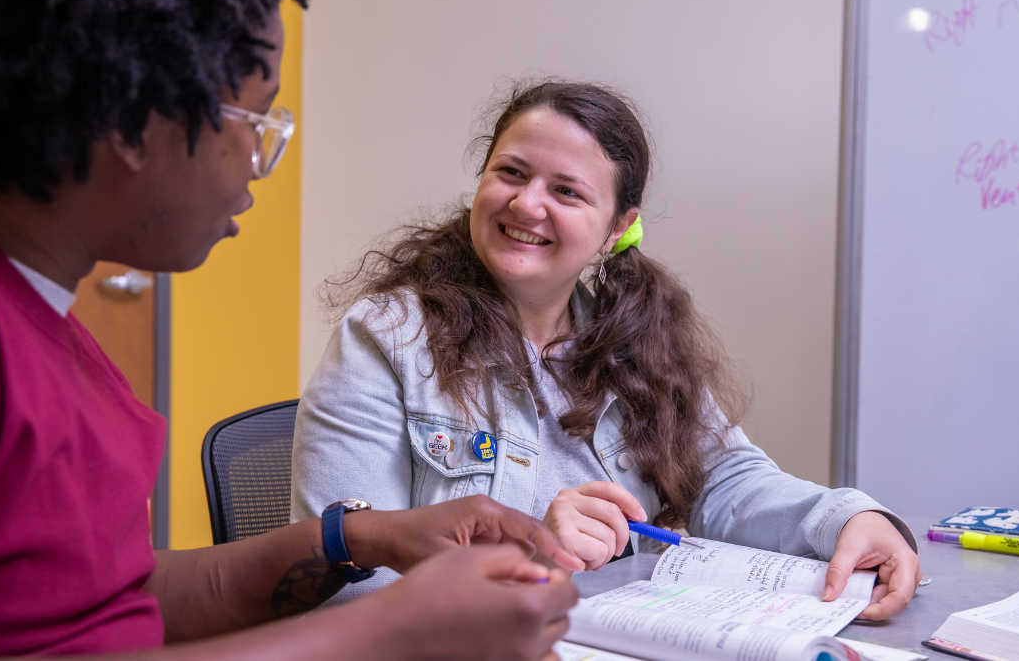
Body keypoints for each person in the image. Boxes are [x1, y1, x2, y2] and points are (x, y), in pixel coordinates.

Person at [0, 0, 584, 660]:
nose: (260, 161)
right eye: (254, 116)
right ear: (131, 117)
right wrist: (390, 630)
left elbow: (112, 600)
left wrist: (358, 539)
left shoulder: (25, 309)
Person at [292, 80, 923, 619]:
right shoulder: (386, 337)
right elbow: (352, 587)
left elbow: (725, 480)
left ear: (617, 228)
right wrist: (532, 554)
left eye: (567, 191)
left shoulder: (634, 341)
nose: (527, 203)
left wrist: (847, 520)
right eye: (511, 173)